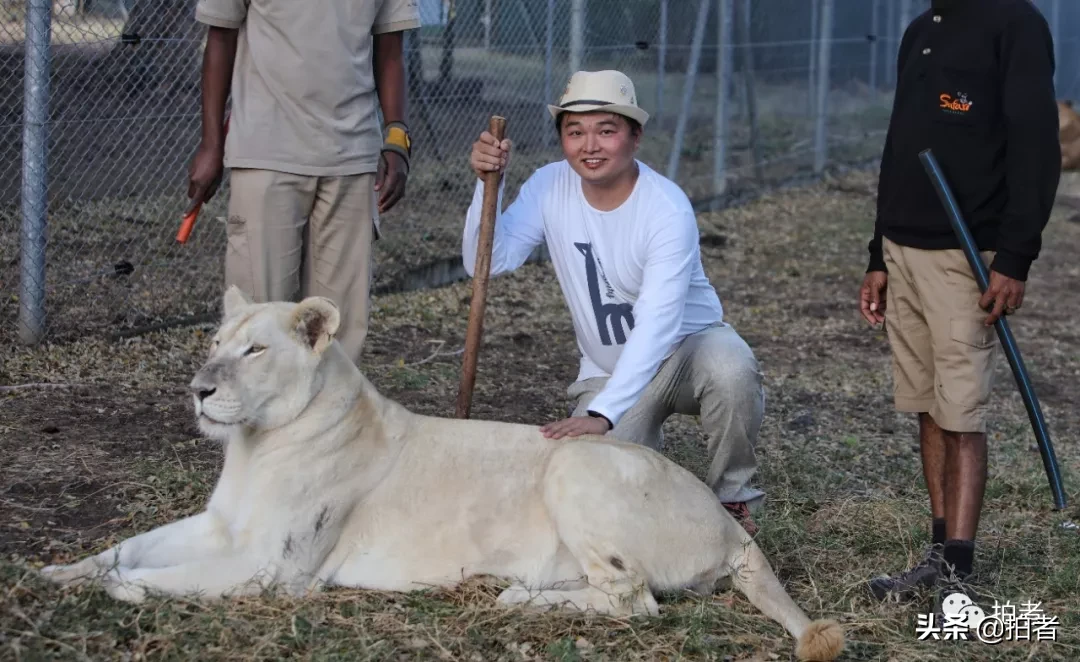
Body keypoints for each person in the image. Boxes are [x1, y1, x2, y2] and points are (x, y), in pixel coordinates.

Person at [462, 70, 766, 534]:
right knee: (598, 491)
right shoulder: (549, 186)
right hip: (608, 372)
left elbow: (659, 322)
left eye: (606, 130)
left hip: (685, 353)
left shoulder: (666, 207)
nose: (590, 146)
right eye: (575, 132)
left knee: (731, 367)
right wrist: (490, 184)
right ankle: (641, 451)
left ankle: (732, 498)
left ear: (635, 136)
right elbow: (486, 260)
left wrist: (603, 415)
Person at [859, 0, 1060, 605]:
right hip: (902, 247)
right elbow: (899, 144)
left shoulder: (1016, 24)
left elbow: (1035, 144)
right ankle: (937, 553)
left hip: (966, 255)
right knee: (926, 405)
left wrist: (1015, 256)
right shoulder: (921, 29)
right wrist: (876, 253)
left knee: (961, 414)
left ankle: (959, 576)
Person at [186, 0, 420, 364]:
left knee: (336, 330)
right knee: (255, 321)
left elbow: (390, 48)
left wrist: (396, 137)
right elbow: (220, 38)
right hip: (266, 151)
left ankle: (328, 420)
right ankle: (255, 421)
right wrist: (212, 144)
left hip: (351, 158)